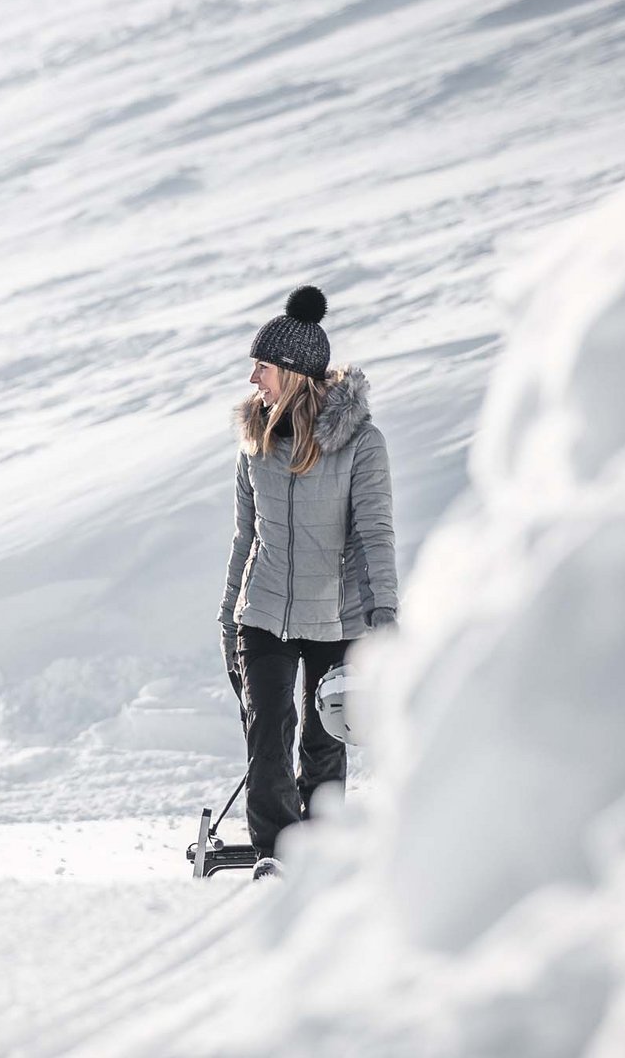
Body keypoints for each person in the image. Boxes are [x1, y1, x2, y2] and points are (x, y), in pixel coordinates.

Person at [219, 285, 398, 871]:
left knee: (324, 746)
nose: (253, 380)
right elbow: (246, 539)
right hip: (264, 613)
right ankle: (278, 856)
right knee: (266, 741)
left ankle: (318, 855)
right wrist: (229, 619)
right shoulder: (255, 444)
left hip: (336, 616)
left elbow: (375, 535)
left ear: (293, 374)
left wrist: (385, 618)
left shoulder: (360, 445)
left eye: (263, 367)